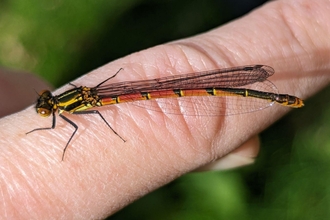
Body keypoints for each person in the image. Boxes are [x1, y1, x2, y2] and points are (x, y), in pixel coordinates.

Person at [0, 0, 329, 218]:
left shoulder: (66, 111)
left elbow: (77, 123)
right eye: (44, 109)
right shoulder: (71, 99)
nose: (45, 109)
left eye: (45, 107)